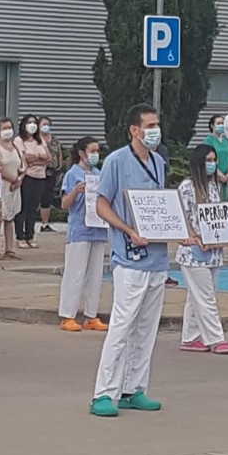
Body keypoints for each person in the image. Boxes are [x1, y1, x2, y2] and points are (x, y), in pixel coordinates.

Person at [89, 103, 169, 417]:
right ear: (134, 130)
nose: (154, 131)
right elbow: (102, 205)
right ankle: (102, 393)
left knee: (147, 328)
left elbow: (162, 205)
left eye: (156, 125)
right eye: (148, 126)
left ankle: (133, 388)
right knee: (122, 325)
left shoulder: (160, 162)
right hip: (129, 255)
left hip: (157, 257)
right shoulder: (116, 162)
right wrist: (127, 229)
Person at [177, 144, 228, 353]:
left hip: (213, 251)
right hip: (194, 252)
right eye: (208, 160)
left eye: (214, 160)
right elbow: (182, 214)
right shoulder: (187, 187)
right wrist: (193, 236)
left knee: (197, 296)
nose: (212, 164)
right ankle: (216, 338)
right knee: (205, 296)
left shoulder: (213, 187)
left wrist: (227, 238)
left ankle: (190, 337)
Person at [58, 137, 110, 332]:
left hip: (98, 229)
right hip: (80, 229)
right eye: (92, 150)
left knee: (95, 275)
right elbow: (64, 204)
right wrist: (76, 192)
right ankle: (68, 315)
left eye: (97, 151)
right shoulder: (73, 174)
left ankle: (91, 315)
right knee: (75, 273)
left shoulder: (99, 174)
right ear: (82, 153)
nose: (96, 154)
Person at [0, 118, 25, 259]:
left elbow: (23, 164)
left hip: (15, 187)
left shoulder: (15, 145)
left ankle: (10, 249)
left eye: (9, 127)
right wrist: (14, 179)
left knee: (10, 217)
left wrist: (20, 179)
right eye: (4, 128)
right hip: (2, 186)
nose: (7, 130)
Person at [15, 114, 50, 248]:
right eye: (29, 122)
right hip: (26, 176)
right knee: (23, 207)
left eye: (34, 122)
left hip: (40, 177)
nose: (32, 125)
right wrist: (38, 157)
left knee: (33, 208)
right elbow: (23, 158)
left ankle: (30, 235)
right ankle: (20, 236)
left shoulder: (40, 140)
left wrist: (35, 157)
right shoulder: (19, 140)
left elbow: (48, 157)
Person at [202, 114, 228, 202]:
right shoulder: (208, 141)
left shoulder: (227, 141)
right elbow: (207, 159)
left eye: (222, 123)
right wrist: (219, 174)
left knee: (225, 201)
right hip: (214, 176)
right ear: (212, 126)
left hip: (227, 177)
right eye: (219, 123)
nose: (221, 126)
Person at [38, 117, 62, 234]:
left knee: (47, 198)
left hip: (52, 172)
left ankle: (45, 223)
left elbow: (59, 154)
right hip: (39, 171)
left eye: (48, 124)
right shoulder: (35, 140)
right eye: (43, 124)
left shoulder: (55, 140)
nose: (46, 126)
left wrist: (59, 169)